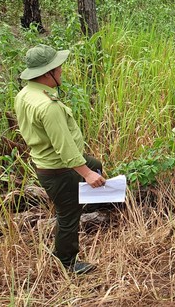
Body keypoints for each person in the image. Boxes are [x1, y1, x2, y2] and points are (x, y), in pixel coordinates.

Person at [14, 44, 106, 274]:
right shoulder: (48, 106)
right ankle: (67, 262)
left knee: (95, 164)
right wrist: (87, 174)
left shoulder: (25, 93)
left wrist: (90, 169)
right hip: (58, 168)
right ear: (47, 74)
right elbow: (64, 148)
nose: (61, 70)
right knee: (67, 216)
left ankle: (93, 203)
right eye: (58, 67)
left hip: (47, 162)